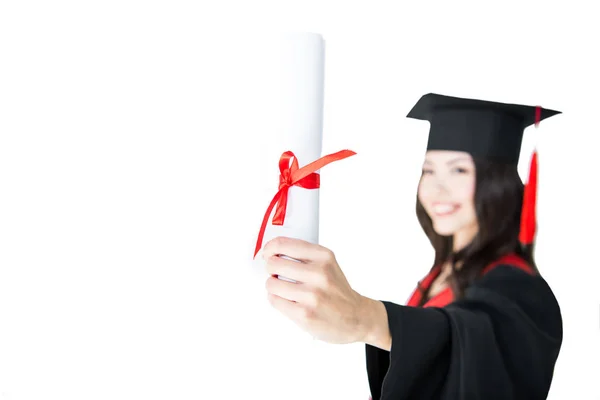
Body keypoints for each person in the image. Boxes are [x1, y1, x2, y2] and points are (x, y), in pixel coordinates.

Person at [261, 93, 563, 400]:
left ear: (496, 183)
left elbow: (471, 344)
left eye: (459, 170)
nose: (436, 188)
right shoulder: (442, 274)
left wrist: (367, 317)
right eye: (429, 171)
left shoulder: (523, 291)